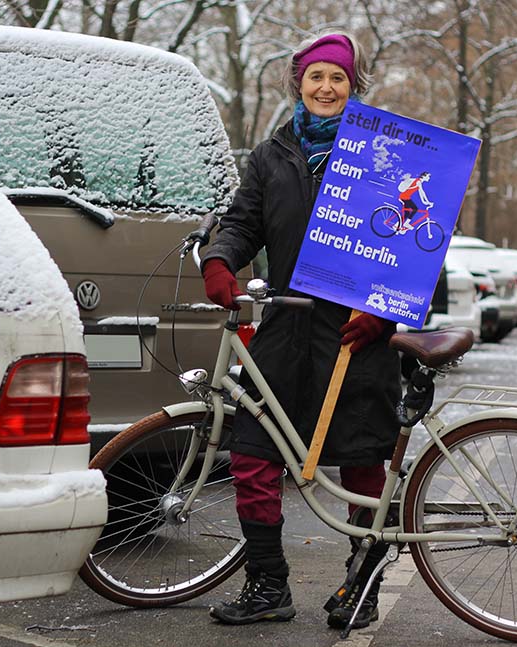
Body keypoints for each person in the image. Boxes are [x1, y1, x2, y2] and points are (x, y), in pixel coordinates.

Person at [201, 32, 401, 630]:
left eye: (338, 78)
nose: (326, 87)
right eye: (316, 76)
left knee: (363, 461)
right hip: (285, 329)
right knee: (253, 455)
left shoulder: (382, 152)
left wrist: (382, 310)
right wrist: (220, 258)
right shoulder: (271, 155)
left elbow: (416, 241)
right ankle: (268, 587)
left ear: (353, 85)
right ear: (299, 84)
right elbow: (243, 222)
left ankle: (361, 585)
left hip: (355, 333)